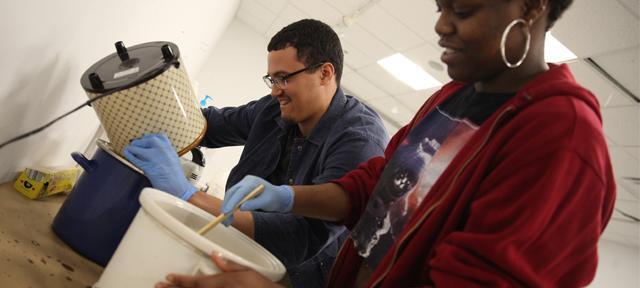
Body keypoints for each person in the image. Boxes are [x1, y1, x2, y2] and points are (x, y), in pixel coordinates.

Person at [155, 0, 618, 287]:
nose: (440, 25)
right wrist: (289, 196)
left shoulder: (560, 136)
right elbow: (378, 187)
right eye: (440, 7)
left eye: (462, 10)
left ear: (531, 7)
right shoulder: (454, 97)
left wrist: (193, 197)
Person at [124, 19, 389, 288]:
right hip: (236, 244)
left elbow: (302, 235)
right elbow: (213, 126)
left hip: (295, 277)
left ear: (325, 73)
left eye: (284, 78)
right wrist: (146, 112)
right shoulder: (275, 108)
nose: (275, 91)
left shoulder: (359, 138)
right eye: (272, 80)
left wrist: (188, 196)